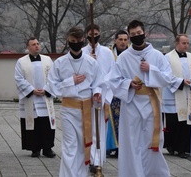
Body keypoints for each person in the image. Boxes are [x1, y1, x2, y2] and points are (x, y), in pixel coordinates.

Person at [108, 20, 172, 177]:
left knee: (152, 141)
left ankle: (153, 173)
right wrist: (128, 83)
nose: (137, 36)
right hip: (131, 104)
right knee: (132, 142)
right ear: (129, 36)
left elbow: (167, 78)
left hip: (152, 103)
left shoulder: (157, 55)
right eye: (133, 34)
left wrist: (151, 69)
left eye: (139, 33)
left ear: (145, 33)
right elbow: (113, 80)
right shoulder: (124, 58)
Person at [45, 26, 104, 177]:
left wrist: (97, 93)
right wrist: (70, 81)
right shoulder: (60, 63)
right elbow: (52, 87)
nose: (75, 43)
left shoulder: (91, 62)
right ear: (68, 41)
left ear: (84, 40)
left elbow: (98, 82)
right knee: (70, 147)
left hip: (87, 109)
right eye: (72, 41)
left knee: (83, 146)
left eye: (78, 41)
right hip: (69, 109)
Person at [14, 37, 56, 158]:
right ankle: (35, 148)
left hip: (45, 97)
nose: (37, 46)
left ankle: (47, 148)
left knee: (46, 124)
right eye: (33, 44)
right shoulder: (21, 61)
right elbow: (18, 79)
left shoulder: (47, 60)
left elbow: (54, 77)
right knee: (34, 123)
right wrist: (32, 90)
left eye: (38, 44)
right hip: (31, 98)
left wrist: (46, 89)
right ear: (28, 47)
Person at [82, 24, 115, 172]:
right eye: (91, 34)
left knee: (99, 129)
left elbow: (111, 73)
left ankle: (98, 159)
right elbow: (81, 74)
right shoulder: (82, 53)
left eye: (96, 33)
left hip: (102, 95)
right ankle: (89, 158)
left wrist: (102, 90)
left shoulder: (107, 53)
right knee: (88, 129)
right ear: (86, 35)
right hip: (86, 95)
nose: (93, 36)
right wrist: (89, 61)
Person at [162, 34, 191, 159]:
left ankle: (184, 147)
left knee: (186, 122)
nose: (186, 45)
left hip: (189, 94)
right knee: (174, 123)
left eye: (188, 43)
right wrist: (181, 82)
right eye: (184, 43)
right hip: (173, 94)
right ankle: (173, 146)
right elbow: (166, 75)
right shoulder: (168, 57)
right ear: (177, 43)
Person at [106, 30, 129, 157]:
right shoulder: (109, 54)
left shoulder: (131, 53)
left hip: (127, 91)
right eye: (120, 39)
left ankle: (125, 146)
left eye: (125, 40)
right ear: (115, 40)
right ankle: (113, 145)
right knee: (112, 120)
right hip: (113, 91)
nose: (123, 42)